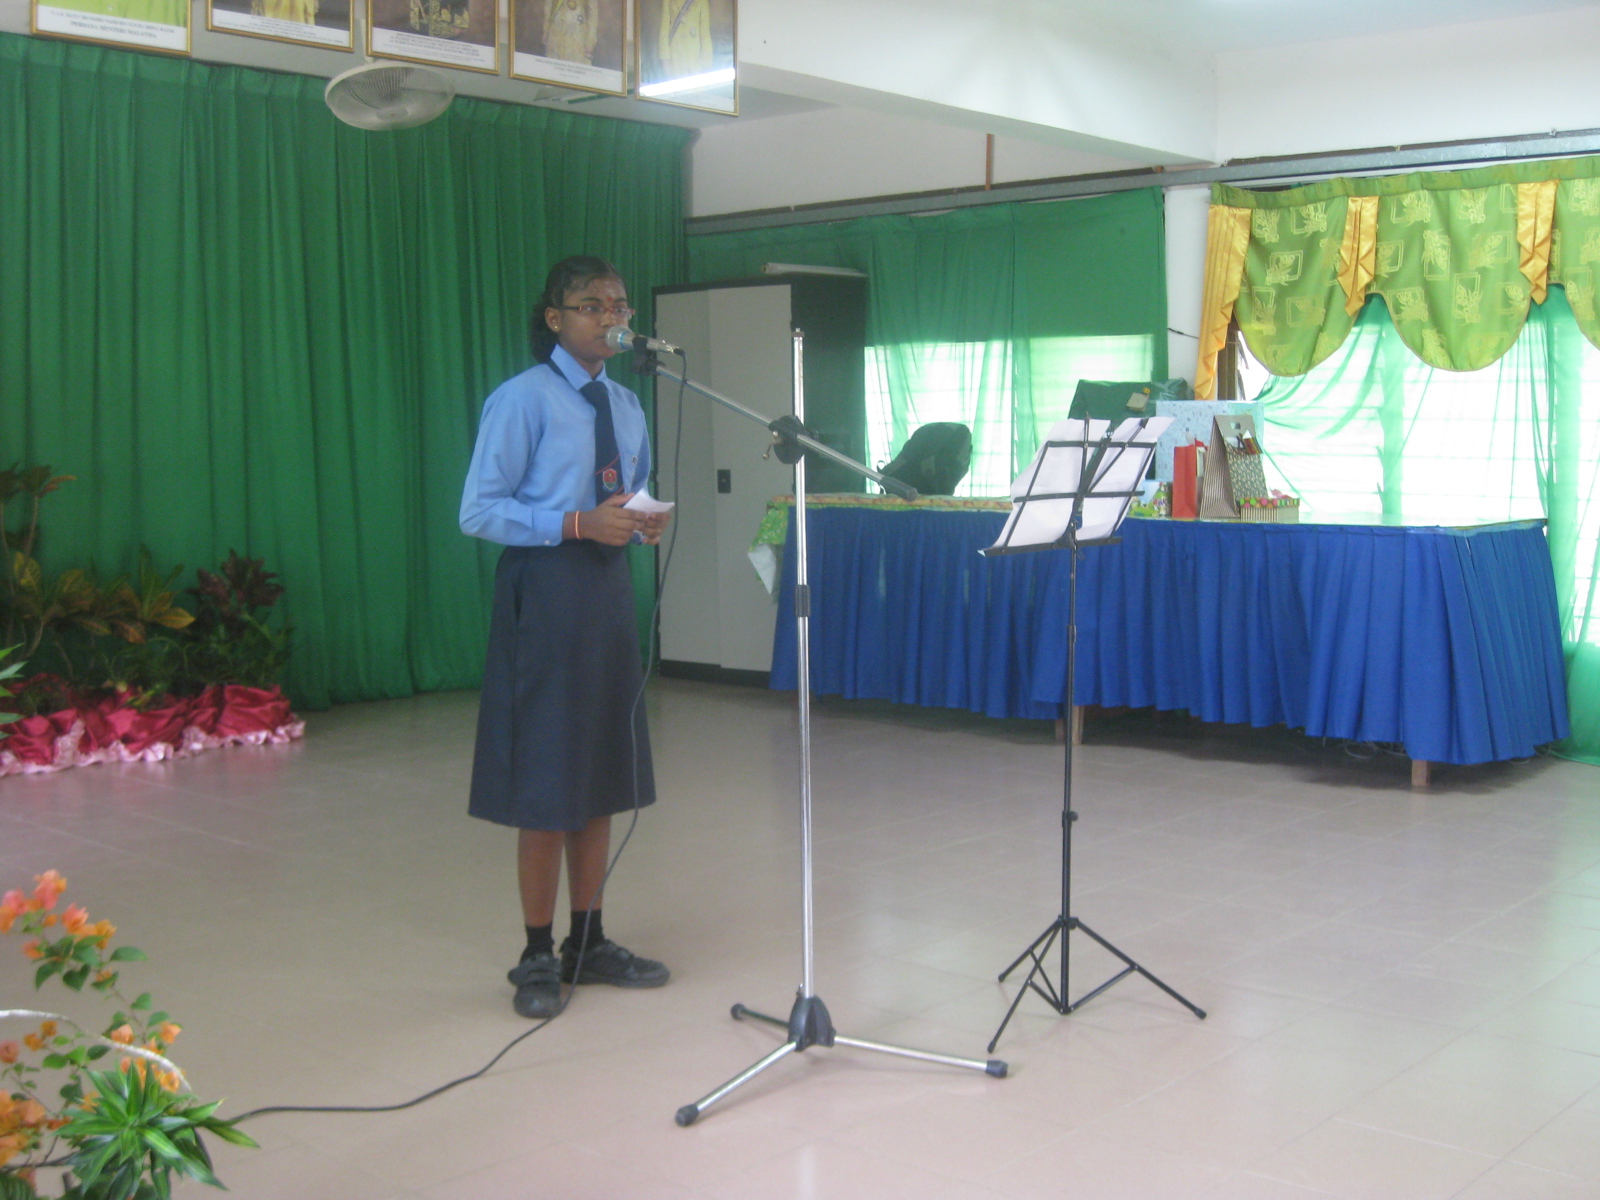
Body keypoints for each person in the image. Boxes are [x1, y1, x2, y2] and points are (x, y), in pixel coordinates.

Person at [460, 256, 671, 1020]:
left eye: (618, 303)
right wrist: (576, 522)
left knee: (601, 769)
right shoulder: (521, 401)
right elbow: (478, 511)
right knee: (548, 780)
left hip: (607, 591)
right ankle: (535, 953)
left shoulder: (626, 402)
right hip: (545, 593)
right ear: (555, 318)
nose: (610, 316)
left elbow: (624, 489)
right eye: (590, 305)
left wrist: (640, 519)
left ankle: (591, 938)